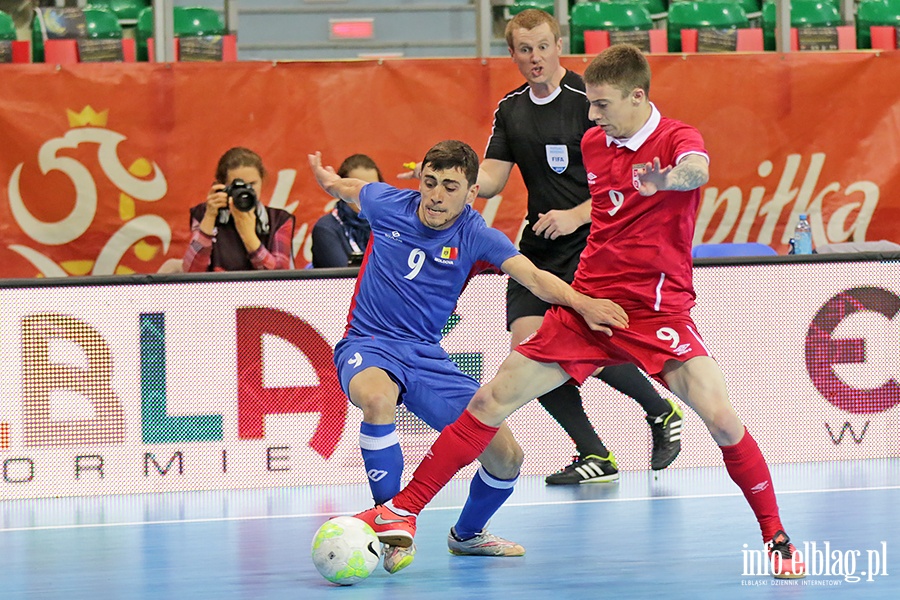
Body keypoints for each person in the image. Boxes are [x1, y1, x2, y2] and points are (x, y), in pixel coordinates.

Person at [357, 45, 806, 579]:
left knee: (722, 418)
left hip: (655, 309)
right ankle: (403, 508)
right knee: (491, 397)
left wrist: (661, 181)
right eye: (590, 105)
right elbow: (606, 203)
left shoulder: (677, 139)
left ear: (638, 97)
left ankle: (775, 535)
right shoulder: (595, 143)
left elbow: (695, 172)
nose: (591, 116)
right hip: (587, 303)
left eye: (601, 104)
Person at [308, 140, 626, 575]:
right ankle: (391, 516)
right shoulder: (387, 203)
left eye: (451, 187)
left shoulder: (477, 235)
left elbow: (533, 277)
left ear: (471, 191)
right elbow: (350, 188)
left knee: (506, 456)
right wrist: (327, 181)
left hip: (426, 357)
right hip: (369, 342)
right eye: (431, 182)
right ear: (420, 179)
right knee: (377, 400)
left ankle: (469, 535)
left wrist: (582, 303)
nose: (437, 196)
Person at [476, 8, 682, 482]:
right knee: (530, 347)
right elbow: (492, 177)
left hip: (594, 242)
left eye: (543, 46)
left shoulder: (589, 102)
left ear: (558, 45)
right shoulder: (510, 108)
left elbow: (626, 183)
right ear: (512, 54)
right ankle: (595, 453)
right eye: (525, 50)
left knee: (590, 341)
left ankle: (659, 409)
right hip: (540, 247)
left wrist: (575, 215)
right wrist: (462, 182)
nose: (535, 58)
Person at [183, 147, 295, 272]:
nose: (246, 191)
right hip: (217, 289)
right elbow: (192, 271)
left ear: (262, 180)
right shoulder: (203, 214)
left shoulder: (279, 220)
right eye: (236, 185)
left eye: (252, 184)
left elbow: (281, 278)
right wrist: (209, 217)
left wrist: (249, 236)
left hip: (261, 291)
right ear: (221, 186)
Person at [311, 154, 382, 268]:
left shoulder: (388, 225)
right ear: (343, 192)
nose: (367, 197)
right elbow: (344, 280)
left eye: (372, 189)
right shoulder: (326, 228)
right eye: (359, 191)